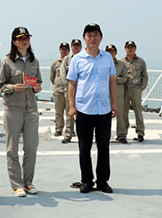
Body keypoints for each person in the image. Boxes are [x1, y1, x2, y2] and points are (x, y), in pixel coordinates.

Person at [68, 23, 117, 194]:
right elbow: (72, 84)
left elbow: (112, 81)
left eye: (96, 34)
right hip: (84, 109)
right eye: (89, 35)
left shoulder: (107, 58)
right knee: (84, 147)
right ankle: (87, 180)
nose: (92, 38)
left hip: (103, 109)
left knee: (104, 147)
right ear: (84, 38)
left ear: (101, 37)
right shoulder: (77, 59)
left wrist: (114, 103)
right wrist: (72, 106)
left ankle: (102, 181)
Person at [0, 27, 42, 197]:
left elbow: (39, 82)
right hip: (13, 109)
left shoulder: (34, 61)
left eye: (27, 38)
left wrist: (37, 88)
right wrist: (12, 87)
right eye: (21, 38)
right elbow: (0, 85)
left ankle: (28, 182)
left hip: (31, 109)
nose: (25, 41)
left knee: (31, 147)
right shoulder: (6, 61)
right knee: (12, 149)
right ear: (14, 41)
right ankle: (16, 184)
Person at [119, 41, 148, 142]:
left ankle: (140, 133)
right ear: (125, 49)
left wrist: (142, 87)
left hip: (136, 89)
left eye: (132, 47)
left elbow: (144, 76)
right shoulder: (121, 61)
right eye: (128, 47)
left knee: (138, 111)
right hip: (124, 89)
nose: (130, 49)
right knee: (123, 113)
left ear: (135, 49)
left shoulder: (141, 61)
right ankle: (123, 134)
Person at [104, 45, 129, 143]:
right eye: (108, 51)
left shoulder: (122, 65)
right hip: (105, 93)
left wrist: (116, 79)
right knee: (104, 116)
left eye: (112, 51)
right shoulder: (102, 64)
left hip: (118, 92)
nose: (110, 53)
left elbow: (125, 78)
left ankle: (121, 135)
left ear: (116, 53)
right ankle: (104, 135)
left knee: (120, 114)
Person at [60, 39, 82, 143]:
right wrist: (68, 86)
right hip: (70, 90)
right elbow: (63, 73)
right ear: (71, 47)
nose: (76, 47)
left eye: (78, 45)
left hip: (82, 91)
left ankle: (83, 135)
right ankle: (68, 134)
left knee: (83, 114)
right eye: (74, 45)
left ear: (81, 47)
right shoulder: (66, 59)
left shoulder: (84, 58)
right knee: (70, 113)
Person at [50, 42, 70, 136]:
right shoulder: (55, 63)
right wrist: (57, 84)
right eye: (62, 49)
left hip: (69, 90)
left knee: (70, 112)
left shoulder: (72, 61)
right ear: (59, 50)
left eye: (65, 49)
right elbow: (52, 76)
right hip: (58, 90)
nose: (64, 51)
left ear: (69, 50)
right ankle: (59, 129)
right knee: (59, 111)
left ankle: (70, 130)